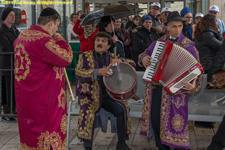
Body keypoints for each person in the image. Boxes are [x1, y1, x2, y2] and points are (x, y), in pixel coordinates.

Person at [139, 11, 202, 150]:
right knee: (156, 122)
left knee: (176, 127)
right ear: (167, 27)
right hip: (156, 90)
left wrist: (194, 86)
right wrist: (143, 58)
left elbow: (197, 70)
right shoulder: (158, 43)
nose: (177, 30)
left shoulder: (189, 46)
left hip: (176, 93)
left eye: (180, 26)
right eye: (174, 26)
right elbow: (144, 54)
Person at [13, 8, 73, 149]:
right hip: (45, 99)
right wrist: (61, 40)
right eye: (57, 25)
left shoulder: (22, 36)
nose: (57, 28)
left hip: (26, 97)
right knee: (47, 132)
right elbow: (67, 58)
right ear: (51, 23)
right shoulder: (44, 41)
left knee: (29, 133)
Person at [76, 32, 135, 150]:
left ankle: (121, 143)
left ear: (108, 46)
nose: (100, 43)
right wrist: (96, 72)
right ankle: (87, 147)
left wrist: (120, 60)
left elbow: (132, 64)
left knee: (122, 109)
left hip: (109, 96)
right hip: (90, 96)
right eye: (98, 40)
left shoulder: (113, 57)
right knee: (87, 112)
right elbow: (79, 73)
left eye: (103, 41)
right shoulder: (85, 56)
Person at [0, 7, 20, 122]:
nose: (13, 17)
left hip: (15, 64)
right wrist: (18, 47)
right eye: (11, 15)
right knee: (7, 89)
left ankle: (14, 109)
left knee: (13, 88)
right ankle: (7, 111)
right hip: (7, 64)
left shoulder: (14, 29)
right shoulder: (2, 30)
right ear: (5, 17)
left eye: (13, 15)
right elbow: (5, 47)